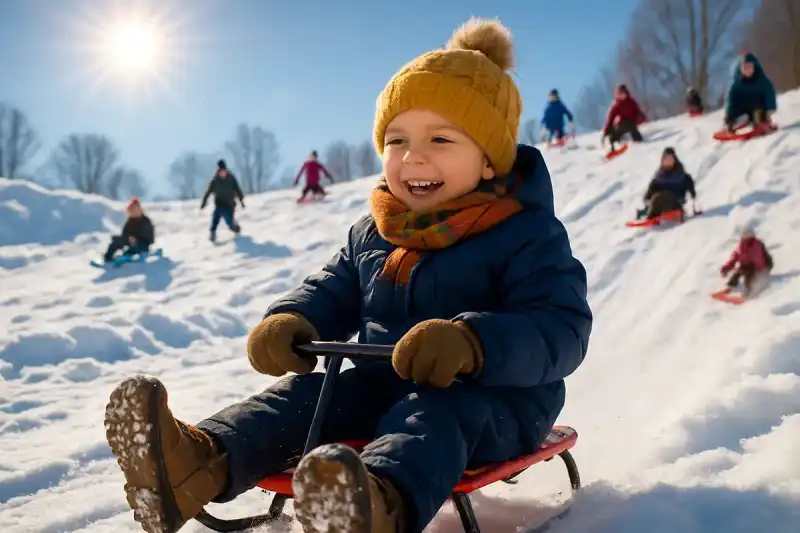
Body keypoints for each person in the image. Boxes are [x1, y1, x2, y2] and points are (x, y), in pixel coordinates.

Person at [102, 18, 592, 533]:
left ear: (489, 160)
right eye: (397, 140)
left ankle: (375, 507)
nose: (413, 156)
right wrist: (292, 319)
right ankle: (194, 466)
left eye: (440, 138)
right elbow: (333, 288)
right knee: (303, 398)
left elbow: (561, 327)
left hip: (497, 402)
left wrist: (473, 342)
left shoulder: (525, 233)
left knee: (434, 417)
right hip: (380, 386)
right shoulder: (374, 232)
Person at [637, 147, 697, 220]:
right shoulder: (657, 179)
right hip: (658, 205)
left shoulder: (684, 177)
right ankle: (648, 216)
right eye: (666, 159)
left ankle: (652, 216)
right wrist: (649, 202)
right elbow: (647, 197)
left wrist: (695, 208)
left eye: (670, 159)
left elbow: (693, 196)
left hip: (675, 204)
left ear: (675, 160)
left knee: (664, 195)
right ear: (662, 161)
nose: (668, 162)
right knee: (657, 198)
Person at [723, 52, 777, 133]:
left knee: (759, 113)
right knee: (733, 114)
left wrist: (770, 109)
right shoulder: (736, 83)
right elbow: (730, 100)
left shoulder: (762, 80)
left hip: (758, 107)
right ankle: (733, 124)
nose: (748, 70)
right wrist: (729, 114)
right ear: (740, 68)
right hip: (742, 108)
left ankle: (762, 122)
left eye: (750, 67)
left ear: (754, 67)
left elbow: (769, 93)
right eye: (745, 67)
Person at [720, 225, 773, 297]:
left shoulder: (756, 245)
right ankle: (730, 286)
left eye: (745, 238)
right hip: (745, 265)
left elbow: (759, 259)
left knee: (749, 276)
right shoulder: (741, 246)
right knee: (738, 272)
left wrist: (762, 271)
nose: (743, 239)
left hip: (757, 266)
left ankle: (748, 292)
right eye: (743, 238)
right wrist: (726, 268)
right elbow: (734, 258)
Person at [200, 159, 245, 242]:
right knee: (215, 217)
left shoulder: (231, 178)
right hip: (219, 204)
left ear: (226, 170)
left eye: (224, 171)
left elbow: (237, 189)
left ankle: (235, 227)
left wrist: (241, 201)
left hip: (229, 204)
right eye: (221, 171)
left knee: (229, 221)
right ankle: (213, 233)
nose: (222, 173)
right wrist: (204, 202)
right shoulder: (215, 180)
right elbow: (208, 192)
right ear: (218, 171)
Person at [103, 197, 155, 262]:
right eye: (132, 210)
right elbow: (125, 234)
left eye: (135, 209)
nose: (134, 212)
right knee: (116, 242)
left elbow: (150, 238)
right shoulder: (130, 222)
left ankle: (126, 258)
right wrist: (128, 237)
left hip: (142, 246)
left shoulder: (146, 221)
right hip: (130, 243)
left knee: (131, 250)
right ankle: (108, 258)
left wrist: (136, 239)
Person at [601, 84, 647, 152]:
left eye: (622, 93)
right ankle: (613, 145)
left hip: (631, 122)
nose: (621, 96)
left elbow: (638, 112)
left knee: (631, 126)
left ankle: (639, 141)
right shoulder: (616, 105)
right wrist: (606, 130)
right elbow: (610, 118)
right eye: (619, 94)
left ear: (626, 93)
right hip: (622, 124)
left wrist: (637, 120)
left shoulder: (631, 102)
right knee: (613, 131)